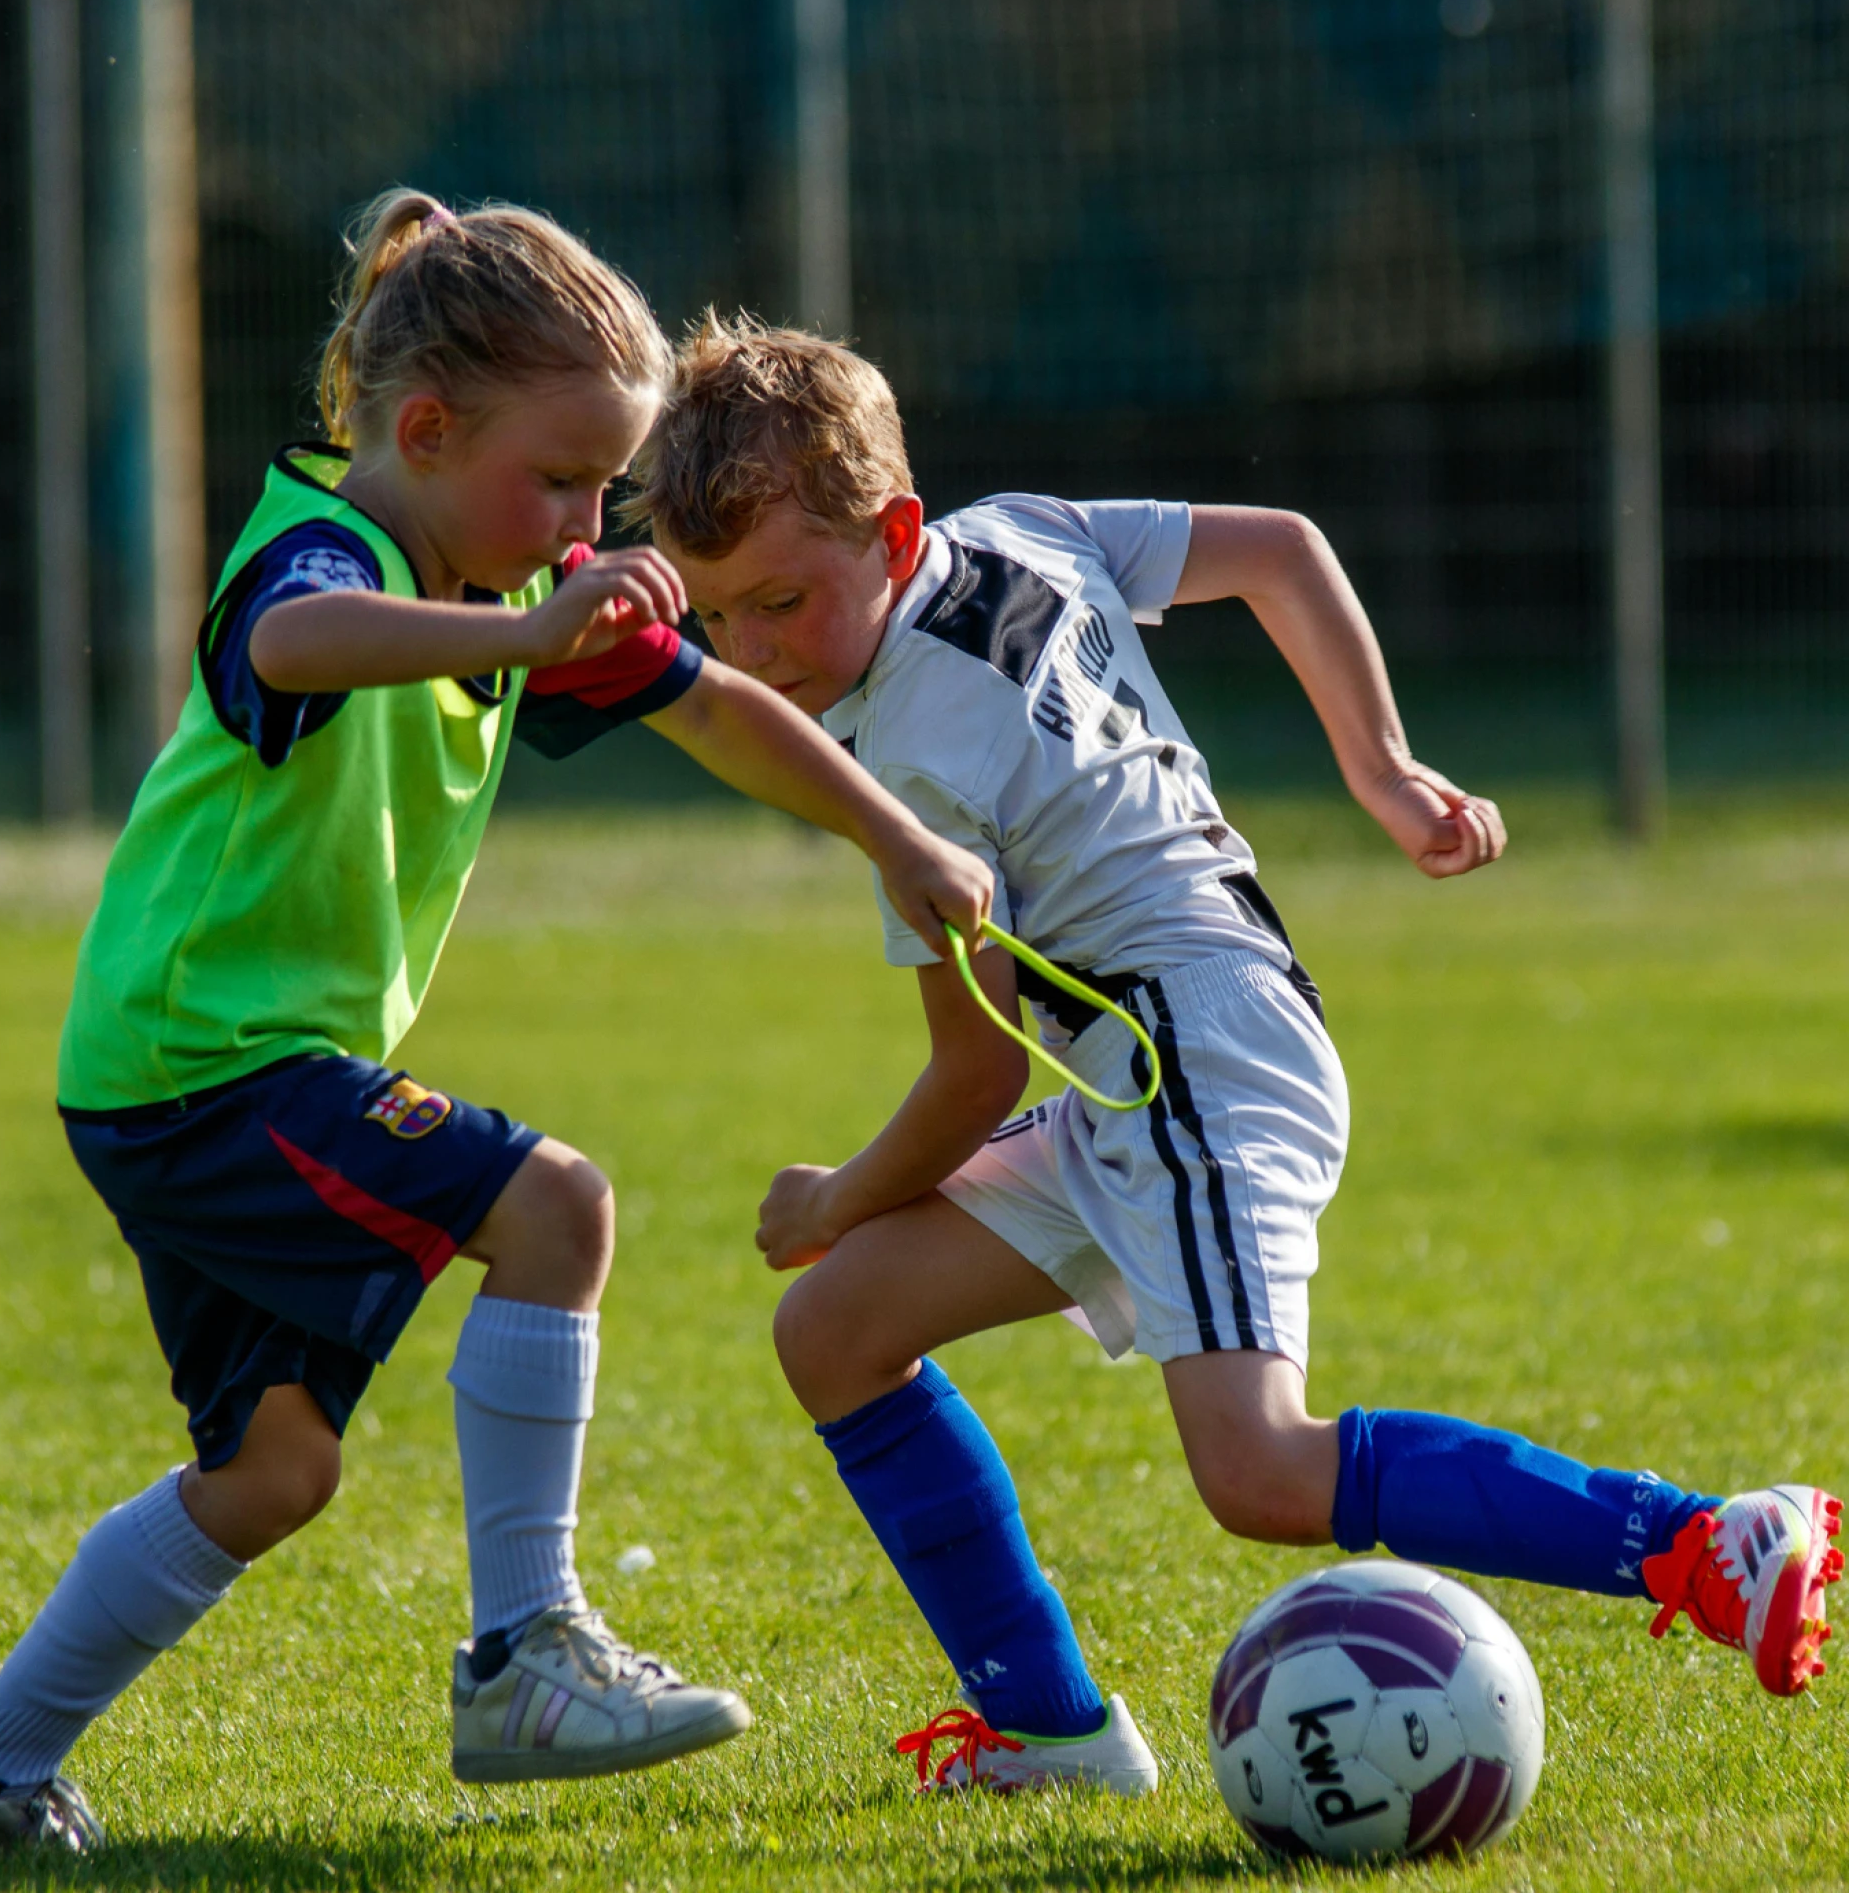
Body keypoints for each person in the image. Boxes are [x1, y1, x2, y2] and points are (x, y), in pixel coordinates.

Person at [626, 312, 1843, 1797]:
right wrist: (1379, 766)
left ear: (890, 534)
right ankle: (1053, 1731)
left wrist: (835, 1195)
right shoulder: (1017, 531)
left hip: (1185, 1052)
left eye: (781, 603)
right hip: (1167, 1048)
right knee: (836, 1330)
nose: (752, 654)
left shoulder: (923, 765)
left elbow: (974, 1076)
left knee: (1259, 1468)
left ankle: (1707, 1541)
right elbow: (1280, 551)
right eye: (717, 618)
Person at [0, 202, 992, 1856]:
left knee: (274, 1475)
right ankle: (525, 1657)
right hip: (207, 1065)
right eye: (557, 482)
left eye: (600, 493)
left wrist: (893, 834)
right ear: (422, 432)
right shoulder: (329, 554)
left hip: (187, 1075)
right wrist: (525, 633)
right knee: (556, 1206)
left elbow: (714, 706)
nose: (581, 526)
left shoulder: (502, 583)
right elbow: (286, 642)